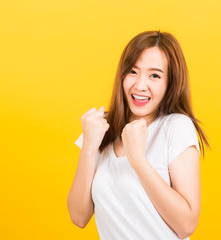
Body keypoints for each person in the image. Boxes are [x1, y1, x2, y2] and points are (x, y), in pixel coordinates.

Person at [67, 30, 210, 240]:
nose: (140, 85)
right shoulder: (101, 130)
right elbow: (79, 217)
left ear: (170, 83)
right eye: (133, 72)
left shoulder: (176, 127)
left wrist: (138, 160)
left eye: (154, 75)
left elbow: (186, 225)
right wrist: (89, 146)